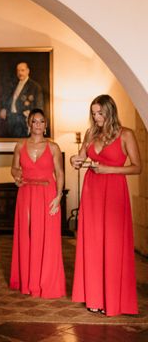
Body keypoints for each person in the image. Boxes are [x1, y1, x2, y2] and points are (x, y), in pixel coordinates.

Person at [70, 94, 140, 316]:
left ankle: (113, 299)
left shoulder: (126, 134)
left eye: (100, 113)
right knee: (92, 243)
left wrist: (110, 169)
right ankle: (94, 296)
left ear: (110, 111)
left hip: (114, 193)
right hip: (92, 192)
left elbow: (137, 167)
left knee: (112, 245)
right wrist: (75, 160)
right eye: (93, 113)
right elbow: (81, 157)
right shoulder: (91, 133)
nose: (96, 117)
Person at [9, 108, 65, 298]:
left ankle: (46, 282)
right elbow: (14, 168)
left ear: (46, 125)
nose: (38, 125)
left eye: (41, 121)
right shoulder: (20, 145)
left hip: (48, 193)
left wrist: (58, 197)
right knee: (27, 236)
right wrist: (17, 177)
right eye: (35, 121)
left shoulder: (53, 147)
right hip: (26, 193)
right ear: (29, 124)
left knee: (47, 237)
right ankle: (28, 281)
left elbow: (59, 173)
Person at [0, 62, 44, 138]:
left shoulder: (35, 87)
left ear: (28, 71)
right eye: (18, 70)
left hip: (23, 122)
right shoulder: (14, 84)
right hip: (10, 119)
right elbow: (10, 100)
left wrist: (32, 117)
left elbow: (39, 108)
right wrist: (4, 108)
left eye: (22, 70)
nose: (20, 73)